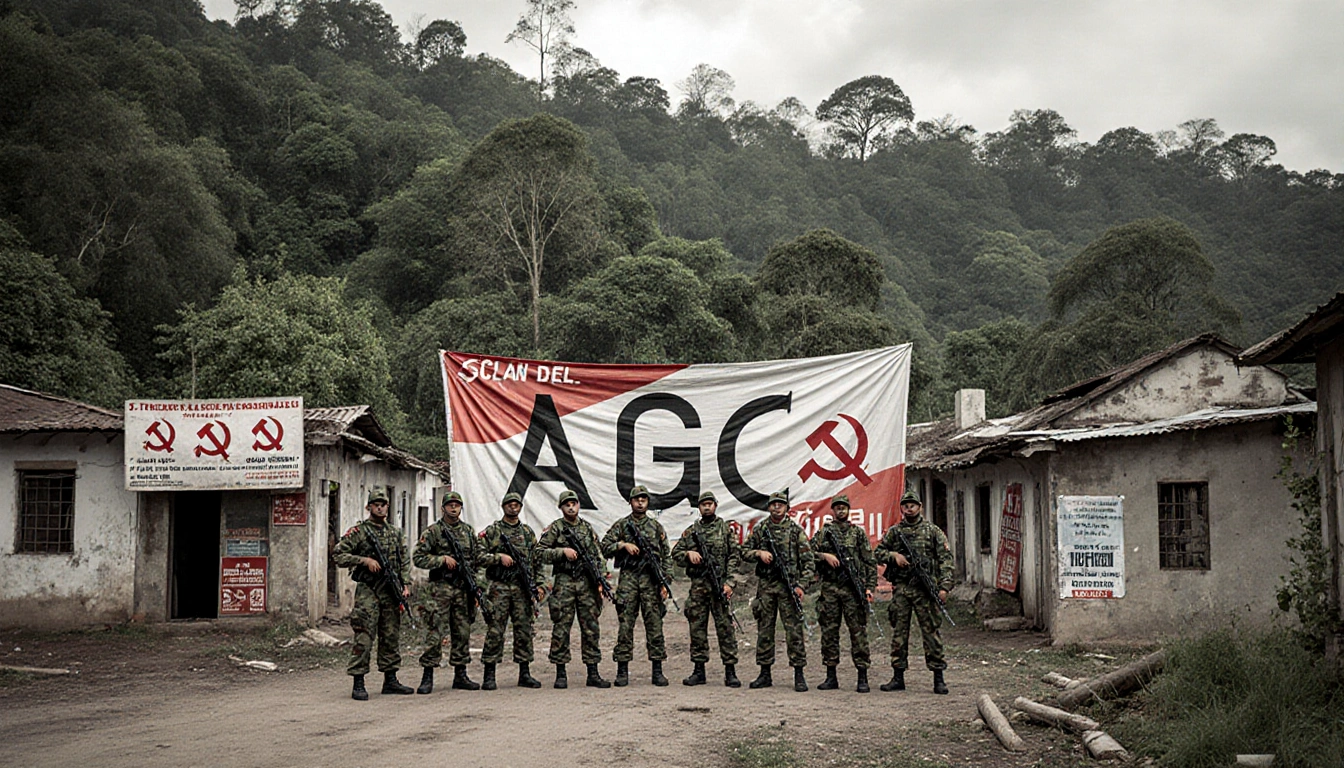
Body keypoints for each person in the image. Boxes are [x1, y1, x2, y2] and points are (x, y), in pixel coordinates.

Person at [332, 487, 413, 700]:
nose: (380, 507)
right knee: (364, 635)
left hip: (390, 590)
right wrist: (364, 561)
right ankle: (358, 682)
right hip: (369, 590)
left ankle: (391, 679)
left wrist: (406, 584)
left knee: (390, 635)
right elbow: (339, 554)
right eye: (376, 504)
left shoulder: (395, 533)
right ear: (369, 507)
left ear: (387, 506)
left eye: (383, 503)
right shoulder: (359, 532)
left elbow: (404, 560)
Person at [874, 488, 955, 694]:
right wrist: (894, 556)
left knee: (931, 633)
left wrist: (944, 586)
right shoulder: (895, 532)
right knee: (899, 634)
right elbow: (878, 552)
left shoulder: (932, 531)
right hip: (902, 589)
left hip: (925, 591)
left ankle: (938, 678)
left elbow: (946, 560)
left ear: (920, 507)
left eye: (912, 505)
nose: (909, 509)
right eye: (905, 505)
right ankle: (898, 676)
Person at [536, 489, 613, 689]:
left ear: (578, 505)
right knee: (561, 627)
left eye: (574, 503)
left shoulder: (587, 528)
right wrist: (562, 552)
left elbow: (598, 555)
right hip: (564, 582)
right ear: (561, 507)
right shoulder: (555, 528)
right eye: (566, 504)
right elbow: (539, 553)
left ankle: (593, 673)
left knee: (591, 627)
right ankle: (560, 673)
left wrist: (602, 577)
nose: (571, 507)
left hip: (586, 583)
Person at [743, 489, 816, 692]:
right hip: (766, 587)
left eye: (780, 504)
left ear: (786, 508)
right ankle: (765, 673)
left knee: (794, 631)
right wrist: (759, 553)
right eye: (773, 504)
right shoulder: (761, 529)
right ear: (769, 507)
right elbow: (743, 552)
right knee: (765, 630)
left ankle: (799, 674)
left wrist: (801, 585)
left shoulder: (795, 531)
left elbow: (808, 562)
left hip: (788, 587)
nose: (777, 507)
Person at [599, 485, 672, 686]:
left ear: (648, 502)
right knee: (625, 627)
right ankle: (622, 671)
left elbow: (666, 556)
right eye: (636, 499)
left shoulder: (656, 527)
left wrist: (665, 582)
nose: (640, 502)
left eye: (644, 499)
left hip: (651, 581)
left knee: (655, 627)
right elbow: (604, 547)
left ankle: (657, 670)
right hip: (629, 580)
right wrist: (622, 545)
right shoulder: (622, 525)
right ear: (630, 502)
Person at [412, 490, 483, 693]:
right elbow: (418, 557)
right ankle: (428, 676)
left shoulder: (469, 532)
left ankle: (460, 675)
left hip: (462, 590)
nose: (454, 508)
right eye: (450, 505)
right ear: (443, 508)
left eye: (457, 505)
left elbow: (477, 561)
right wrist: (441, 560)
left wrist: (477, 587)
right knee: (434, 632)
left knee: (462, 632)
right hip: (439, 590)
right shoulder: (434, 532)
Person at [670, 490, 743, 687]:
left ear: (715, 506)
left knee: (725, 629)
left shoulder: (725, 529)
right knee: (697, 629)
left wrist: (730, 583)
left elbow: (735, 556)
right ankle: (698, 670)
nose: (707, 507)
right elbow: (675, 553)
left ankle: (730, 671)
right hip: (699, 587)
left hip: (720, 586)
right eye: (703, 504)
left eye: (710, 503)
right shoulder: (692, 531)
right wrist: (688, 554)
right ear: (699, 508)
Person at [478, 492, 546, 689]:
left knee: (524, 630)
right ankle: (489, 675)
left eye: (516, 504)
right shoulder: (493, 531)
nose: (513, 507)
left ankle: (524, 673)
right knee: (495, 630)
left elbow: (536, 562)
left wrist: (540, 585)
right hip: (499, 587)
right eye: (510, 504)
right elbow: (478, 555)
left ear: (520, 507)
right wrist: (498, 558)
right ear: (503, 506)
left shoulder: (527, 533)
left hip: (521, 589)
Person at [811, 494, 878, 692]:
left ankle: (862, 677)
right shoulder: (824, 533)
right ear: (832, 510)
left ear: (849, 510)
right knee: (829, 632)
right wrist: (824, 556)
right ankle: (831, 676)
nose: (841, 510)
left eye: (844, 507)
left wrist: (869, 587)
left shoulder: (857, 533)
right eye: (837, 507)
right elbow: (806, 552)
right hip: (830, 589)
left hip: (852, 590)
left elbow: (869, 562)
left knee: (858, 632)